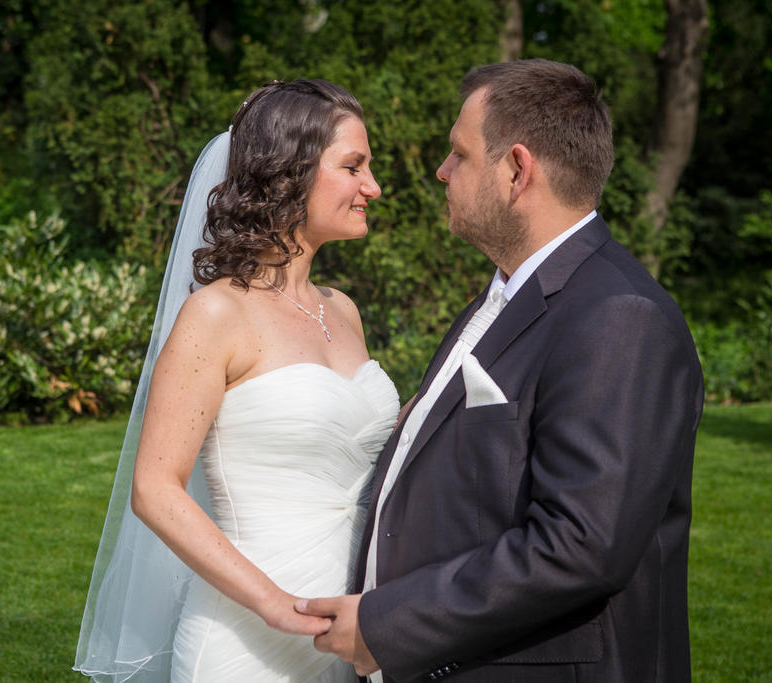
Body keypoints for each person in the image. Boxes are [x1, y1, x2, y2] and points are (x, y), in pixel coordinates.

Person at [297, 59, 705, 682]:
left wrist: (389, 625)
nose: (442, 170)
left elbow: (581, 545)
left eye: (459, 154)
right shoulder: (506, 297)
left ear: (517, 170)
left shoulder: (618, 315)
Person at [73, 78, 399, 682]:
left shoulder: (344, 310)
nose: (373, 187)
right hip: (247, 638)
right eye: (354, 167)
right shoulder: (217, 313)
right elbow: (155, 488)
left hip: (351, 623)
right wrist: (275, 604)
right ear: (290, 172)